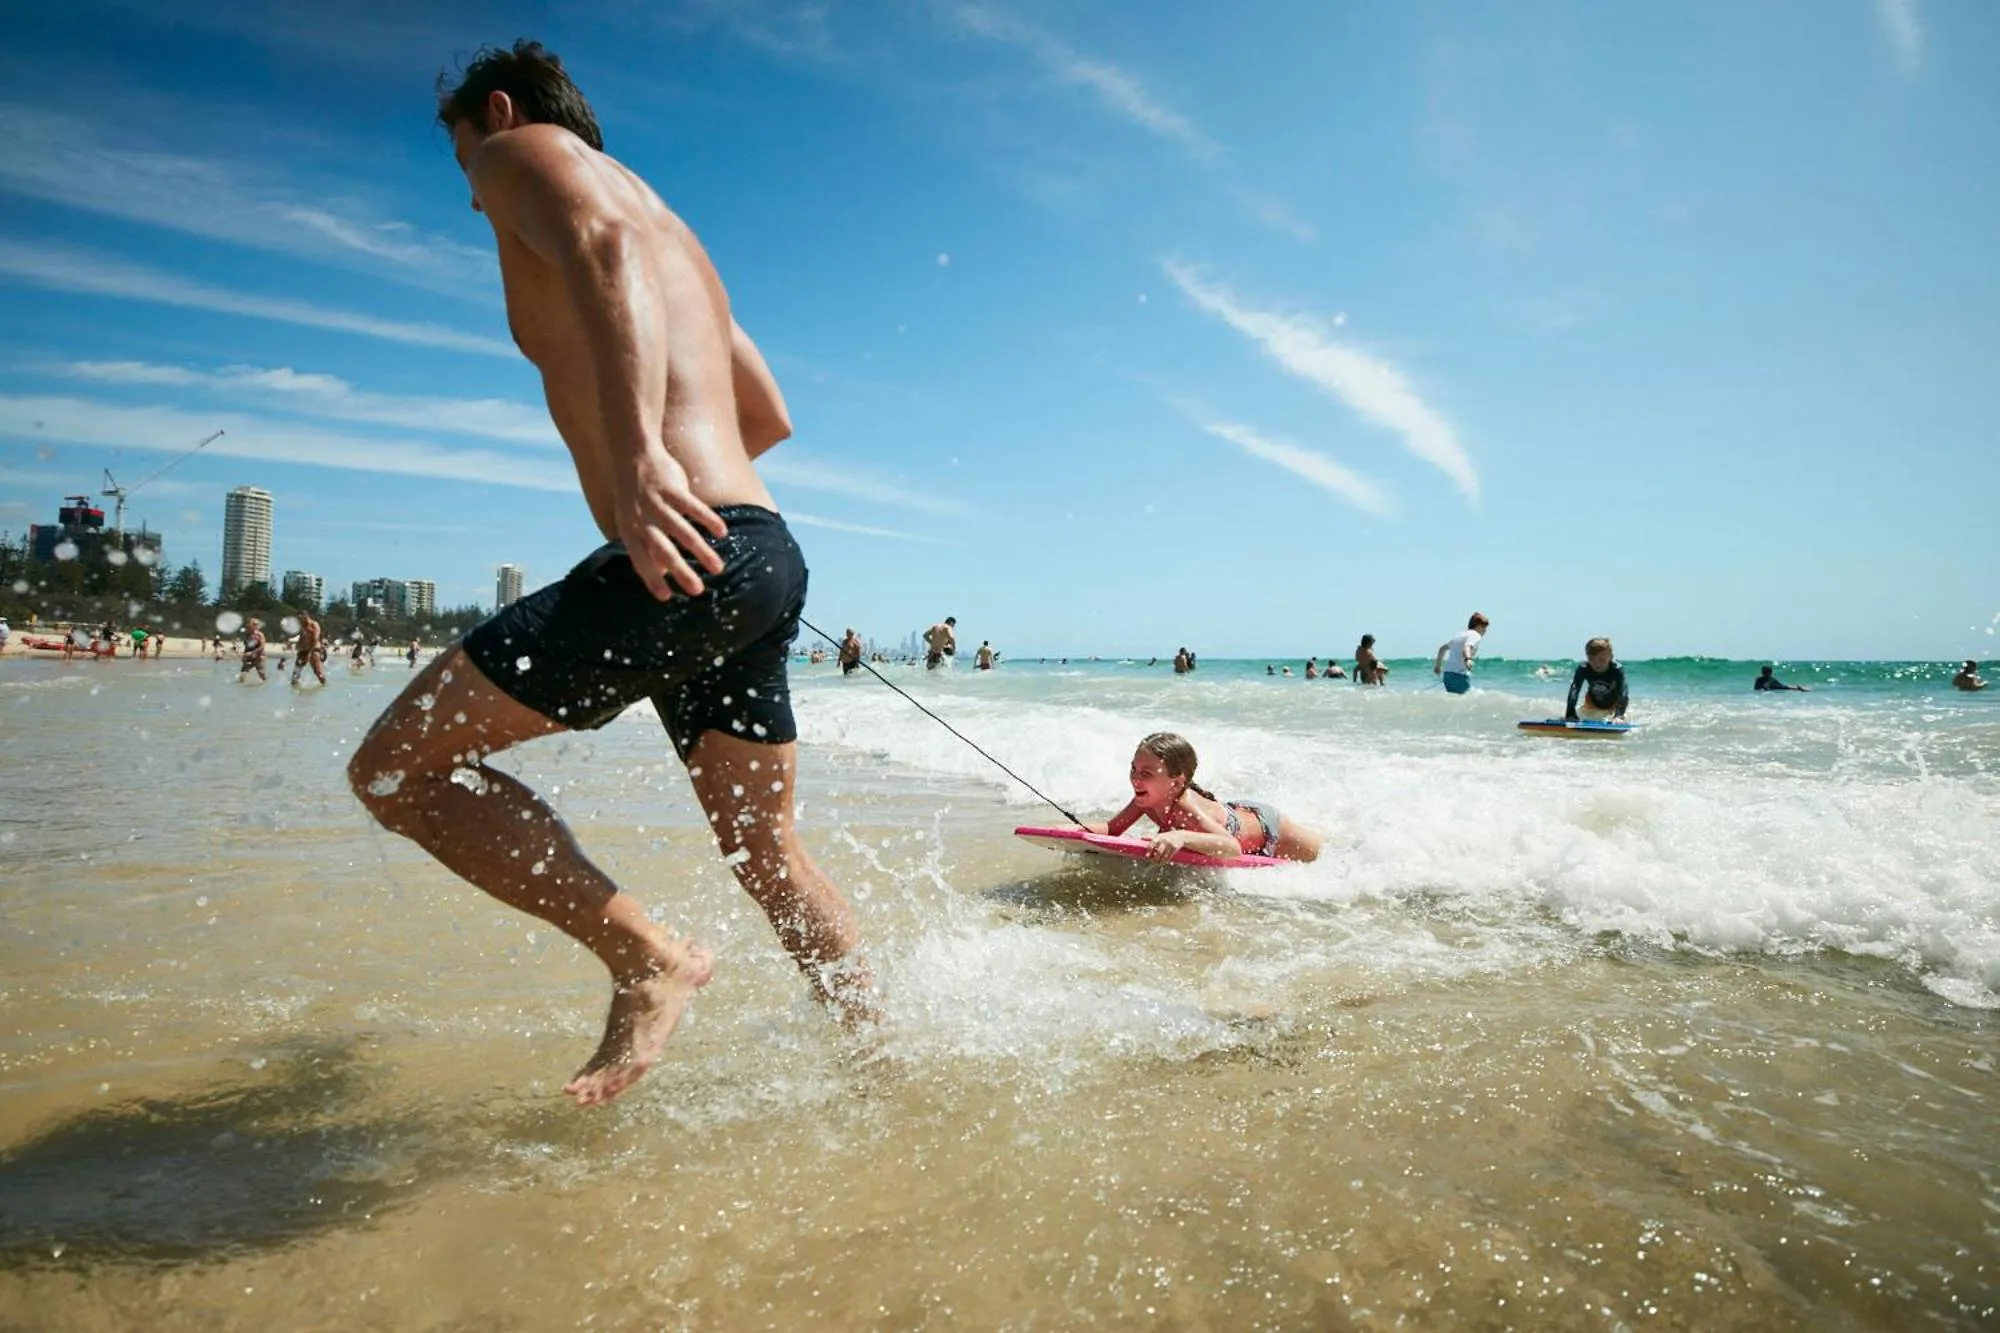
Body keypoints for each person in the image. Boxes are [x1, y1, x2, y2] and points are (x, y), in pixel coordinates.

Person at [347, 40, 872, 1109]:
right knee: (765, 848)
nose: (472, 195)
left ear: (494, 112)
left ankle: (645, 956)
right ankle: (879, 1050)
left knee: (396, 769)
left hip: (685, 551)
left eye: (461, 165)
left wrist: (638, 462)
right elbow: (765, 414)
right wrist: (693, 490)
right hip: (756, 550)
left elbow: (597, 242)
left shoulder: (521, 151)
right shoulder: (680, 233)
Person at [1085, 732, 1322, 863]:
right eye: (1133, 769)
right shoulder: (1147, 799)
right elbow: (1112, 828)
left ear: (1176, 781)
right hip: (1233, 811)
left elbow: (1231, 847)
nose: (1135, 779)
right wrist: (1070, 829)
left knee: (1323, 855)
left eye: (1146, 773)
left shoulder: (1185, 808)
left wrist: (1180, 837)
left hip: (1268, 830)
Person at [1565, 637, 1629, 722]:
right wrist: (1570, 712)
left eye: (1602, 660)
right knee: (1584, 715)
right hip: (1591, 702)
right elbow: (1574, 689)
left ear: (1611, 657)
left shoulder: (1617, 670)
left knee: (1615, 718)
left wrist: (1619, 715)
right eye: (1591, 659)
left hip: (1614, 704)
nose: (1596, 664)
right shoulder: (1584, 668)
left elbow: (1623, 692)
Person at [1432, 612, 1489, 695]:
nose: (1485, 631)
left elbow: (1442, 649)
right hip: (1459, 675)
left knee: (1454, 701)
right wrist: (1468, 659)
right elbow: (1467, 647)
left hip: (1447, 675)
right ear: (1479, 626)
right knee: (1464, 702)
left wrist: (1438, 667)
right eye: (1485, 628)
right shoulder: (1475, 635)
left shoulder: (1460, 634)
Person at [293, 611, 329, 687]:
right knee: (296, 672)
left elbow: (315, 638)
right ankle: (294, 690)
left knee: (318, 673)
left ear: (306, 617)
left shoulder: (314, 625)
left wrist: (309, 652)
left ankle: (325, 686)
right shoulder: (303, 626)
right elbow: (302, 637)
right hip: (303, 651)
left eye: (300, 619)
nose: (299, 621)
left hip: (314, 650)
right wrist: (298, 646)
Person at [238, 618, 268, 682]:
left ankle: (265, 687)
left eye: (256, 624)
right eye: (253, 624)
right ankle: (241, 689)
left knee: (262, 675)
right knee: (243, 674)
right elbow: (247, 646)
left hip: (259, 657)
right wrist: (244, 655)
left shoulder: (260, 635)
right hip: (249, 657)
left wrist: (252, 652)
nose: (255, 626)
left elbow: (262, 647)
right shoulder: (248, 635)